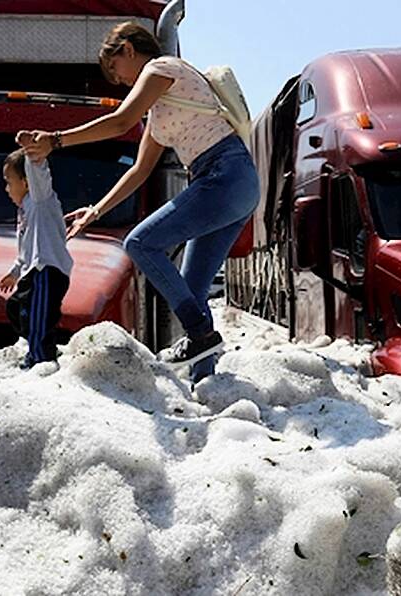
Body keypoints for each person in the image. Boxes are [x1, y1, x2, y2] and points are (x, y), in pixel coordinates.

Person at [17, 22, 259, 384]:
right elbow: (140, 171)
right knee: (192, 289)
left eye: (115, 69)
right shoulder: (160, 112)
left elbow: (120, 122)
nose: (119, 81)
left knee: (140, 242)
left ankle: (201, 335)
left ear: (128, 49)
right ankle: (205, 382)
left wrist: (56, 139)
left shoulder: (161, 68)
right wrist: (97, 209)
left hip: (224, 174)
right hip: (231, 183)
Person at [0, 143, 73, 369]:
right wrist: (14, 271)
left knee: (38, 318)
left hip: (47, 270)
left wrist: (32, 151)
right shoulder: (23, 210)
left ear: (26, 182)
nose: (6, 189)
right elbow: (25, 249)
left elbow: (39, 174)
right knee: (16, 308)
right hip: (32, 271)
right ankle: (39, 348)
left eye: (8, 182)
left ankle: (41, 359)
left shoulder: (40, 200)